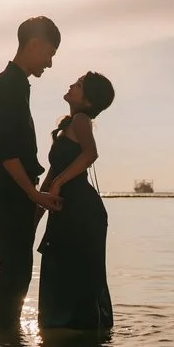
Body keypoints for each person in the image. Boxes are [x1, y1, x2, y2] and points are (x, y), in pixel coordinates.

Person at [0, 17, 62, 340]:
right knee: (14, 275)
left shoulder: (16, 84)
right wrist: (34, 194)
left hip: (14, 189)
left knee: (16, 274)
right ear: (34, 44)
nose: (50, 63)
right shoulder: (9, 86)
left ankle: (2, 345)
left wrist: (33, 196)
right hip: (10, 189)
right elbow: (7, 152)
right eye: (50, 54)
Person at [36, 73, 117, 333]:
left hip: (82, 211)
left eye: (79, 84)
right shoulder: (68, 126)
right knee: (60, 268)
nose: (72, 84)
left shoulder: (82, 120)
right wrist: (37, 209)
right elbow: (52, 174)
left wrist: (59, 183)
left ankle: (81, 336)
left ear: (89, 101)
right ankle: (64, 335)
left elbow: (91, 153)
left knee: (76, 273)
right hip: (66, 209)